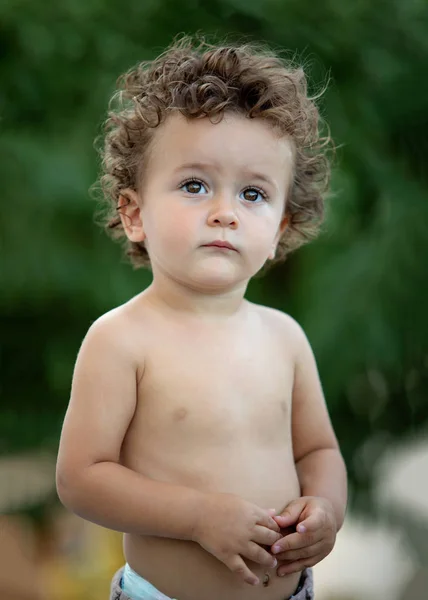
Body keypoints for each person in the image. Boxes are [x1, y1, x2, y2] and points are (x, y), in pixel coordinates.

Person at [56, 34, 347, 600]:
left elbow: (319, 452)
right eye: (195, 186)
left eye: (254, 195)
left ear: (280, 230)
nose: (224, 214)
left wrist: (327, 510)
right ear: (135, 213)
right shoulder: (122, 340)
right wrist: (197, 516)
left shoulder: (284, 338)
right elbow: (81, 479)